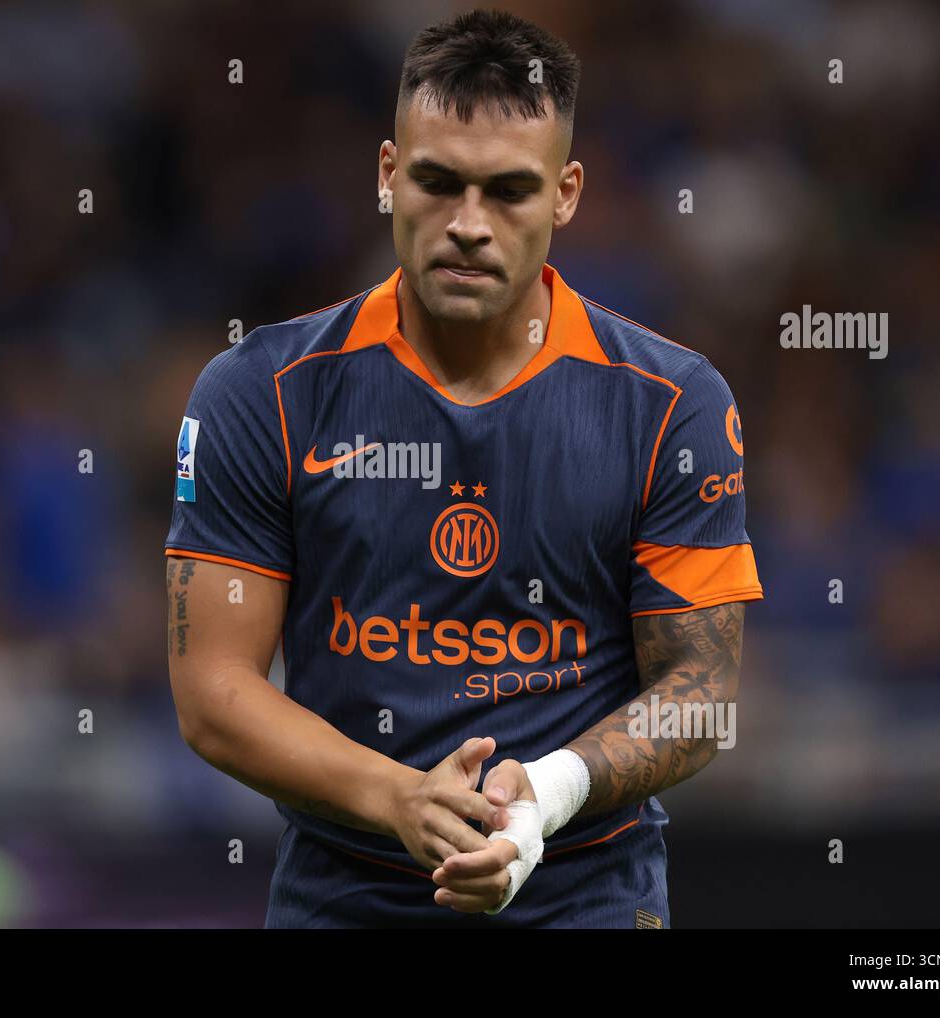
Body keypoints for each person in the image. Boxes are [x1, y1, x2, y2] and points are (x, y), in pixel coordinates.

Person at [164, 9, 763, 928]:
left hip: (587, 899)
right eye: (438, 182)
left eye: (510, 191)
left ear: (566, 194)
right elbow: (213, 694)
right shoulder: (261, 393)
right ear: (387, 175)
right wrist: (397, 797)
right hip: (343, 901)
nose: (469, 225)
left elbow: (701, 690)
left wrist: (546, 798)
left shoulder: (670, 404)